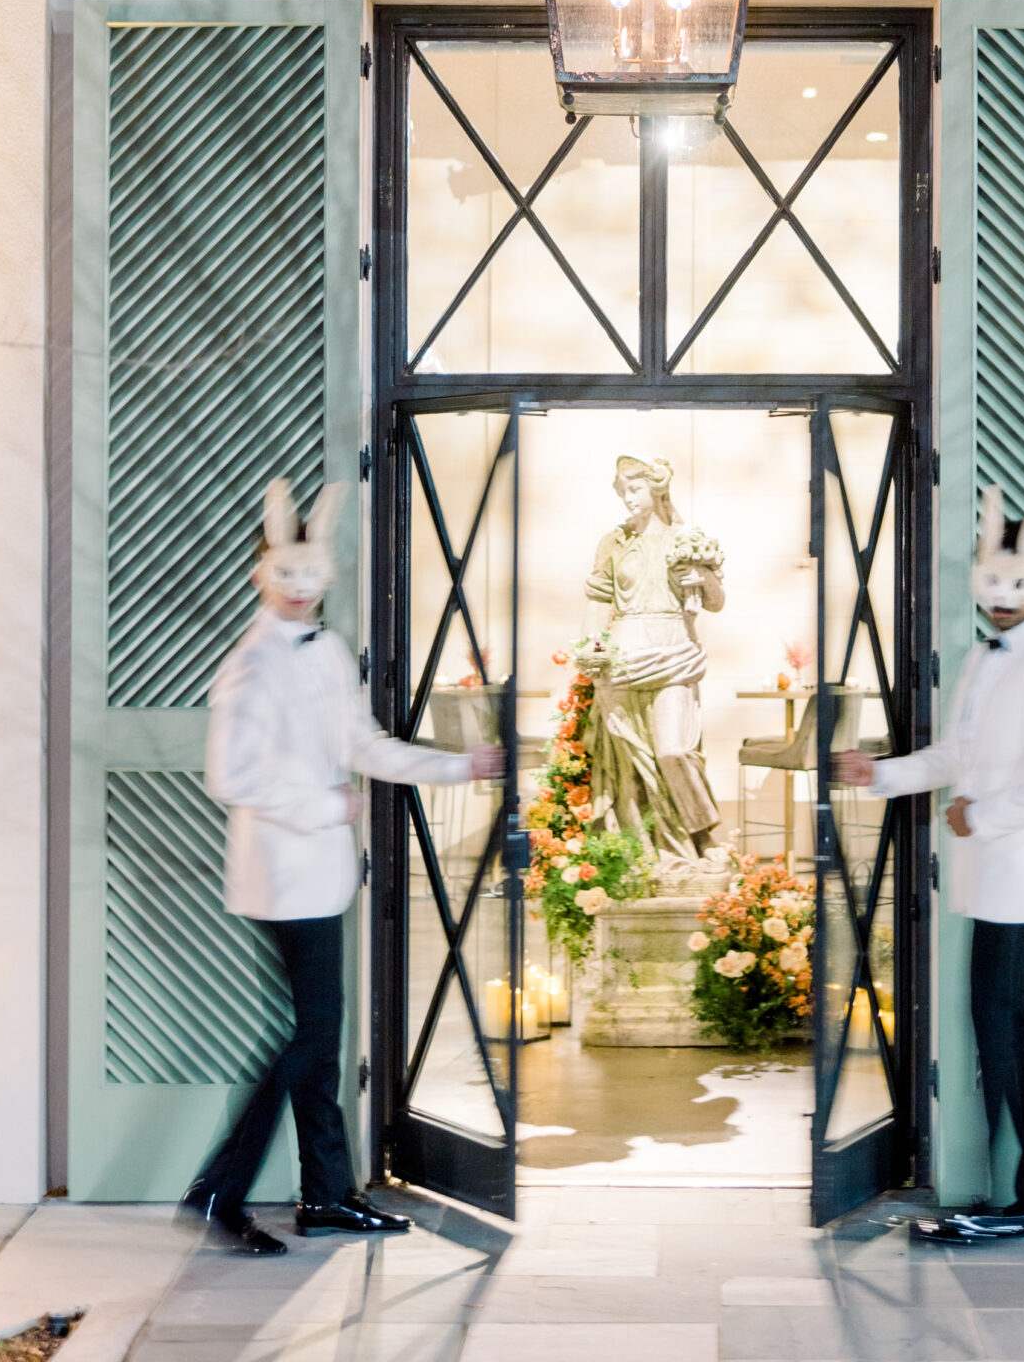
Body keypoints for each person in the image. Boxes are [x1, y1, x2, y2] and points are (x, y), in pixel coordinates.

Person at [183, 476, 503, 1258]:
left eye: (311, 575)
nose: (299, 590)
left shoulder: (324, 652)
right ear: (261, 574)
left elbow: (363, 746)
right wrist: (328, 807)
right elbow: (230, 776)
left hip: (321, 875)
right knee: (313, 1035)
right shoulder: (251, 665)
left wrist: (460, 768)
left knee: (318, 1042)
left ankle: (325, 1195)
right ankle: (219, 1188)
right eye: (285, 575)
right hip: (282, 875)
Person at [834, 485, 1024, 1241]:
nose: (1001, 600)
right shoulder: (988, 663)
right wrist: (878, 774)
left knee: (1008, 1031)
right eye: (992, 584)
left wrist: (977, 814)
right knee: (1000, 1030)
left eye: (1017, 585)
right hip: (991, 875)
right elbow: (957, 755)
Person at [581, 455, 725, 868]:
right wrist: (591, 643)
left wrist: (703, 577)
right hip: (623, 660)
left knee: (672, 750)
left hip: (674, 653)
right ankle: (641, 853)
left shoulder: (686, 538)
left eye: (635, 490)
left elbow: (715, 602)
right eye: (622, 492)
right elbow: (597, 597)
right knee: (630, 768)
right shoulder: (613, 542)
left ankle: (701, 833)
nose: (627, 499)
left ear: (657, 489)